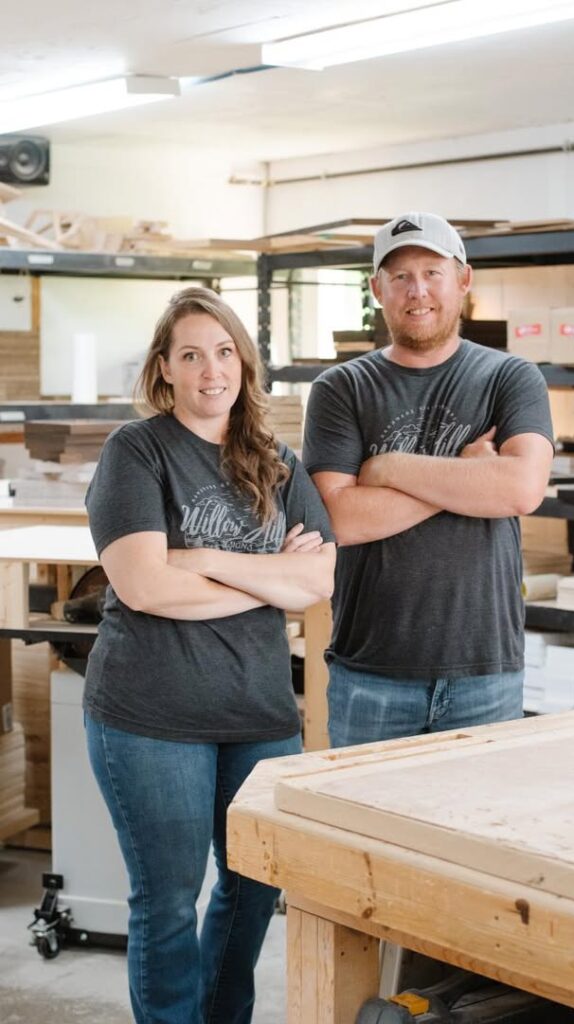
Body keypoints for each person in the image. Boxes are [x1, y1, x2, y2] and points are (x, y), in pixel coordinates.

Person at [83, 286, 335, 1024]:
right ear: (165, 370)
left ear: (244, 365)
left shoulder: (277, 462)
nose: (210, 369)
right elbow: (144, 587)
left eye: (223, 352)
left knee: (255, 887)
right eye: (191, 355)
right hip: (150, 717)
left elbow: (316, 579)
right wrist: (266, 581)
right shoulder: (137, 451)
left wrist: (204, 560)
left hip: (257, 713)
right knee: (166, 903)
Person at [303, 212, 553, 748]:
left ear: (463, 279)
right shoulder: (341, 389)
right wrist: (468, 477)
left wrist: (390, 468)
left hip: (485, 670)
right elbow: (338, 518)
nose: (417, 291)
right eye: (399, 276)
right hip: (370, 672)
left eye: (432, 272)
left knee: (476, 830)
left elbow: (520, 489)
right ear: (377, 290)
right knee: (360, 832)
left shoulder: (510, 377)